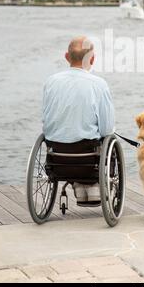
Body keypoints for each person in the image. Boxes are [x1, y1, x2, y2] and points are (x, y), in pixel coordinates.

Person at [42, 35, 115, 204]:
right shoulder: (99, 84)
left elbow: (46, 121)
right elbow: (106, 129)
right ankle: (91, 187)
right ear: (93, 59)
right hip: (87, 157)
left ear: (66, 57)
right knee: (108, 138)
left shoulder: (50, 82)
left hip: (56, 155)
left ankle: (81, 187)